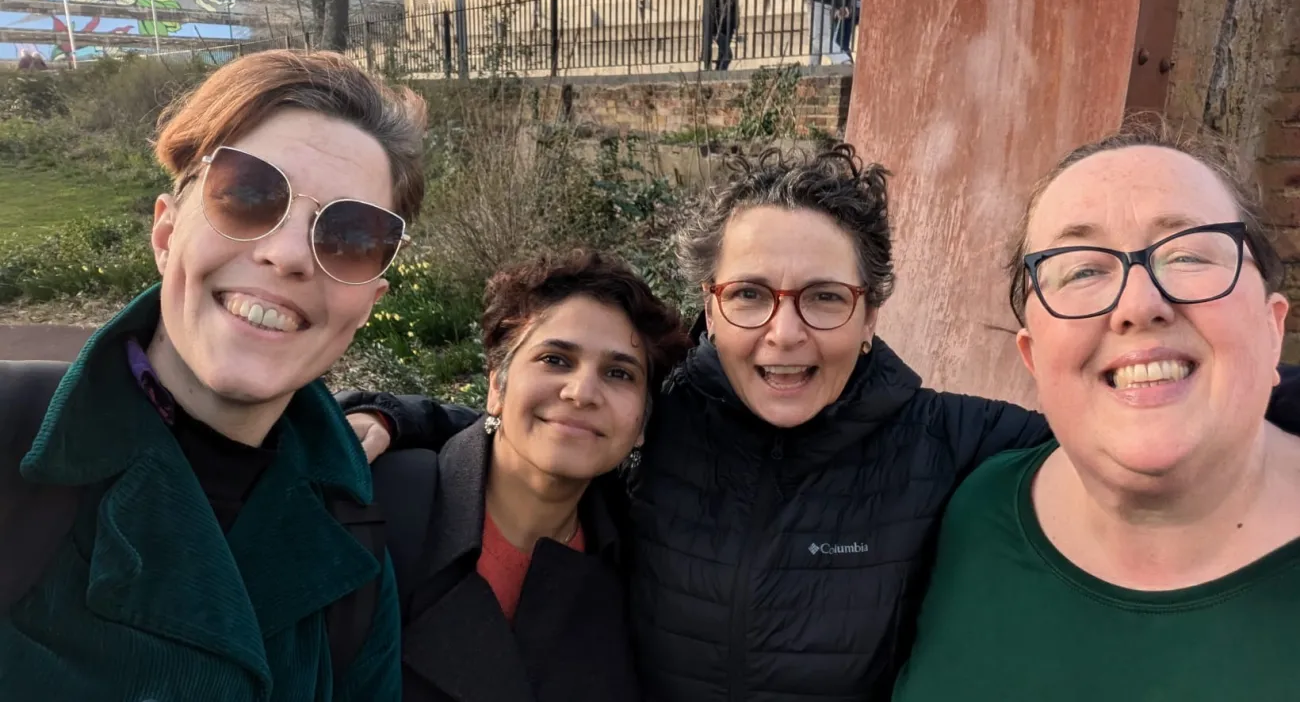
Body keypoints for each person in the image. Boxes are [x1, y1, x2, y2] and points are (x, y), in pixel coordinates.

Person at [342, 145, 1298, 701]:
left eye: (826, 299)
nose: (784, 336)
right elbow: (540, 420)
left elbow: (1127, 398)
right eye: (751, 295)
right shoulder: (656, 420)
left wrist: (1257, 381)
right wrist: (393, 412)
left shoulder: (956, 444)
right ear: (711, 304)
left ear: (874, 310)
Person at [0, 49, 424, 701]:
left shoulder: (351, 551)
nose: (285, 255)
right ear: (167, 233)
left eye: (349, 235)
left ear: (369, 300)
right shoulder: (11, 442)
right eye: (247, 196)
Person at [891, 120, 1300, 701]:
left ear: (1271, 325)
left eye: (1186, 254)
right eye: (1083, 268)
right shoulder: (973, 511)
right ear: (1033, 357)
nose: (1139, 304)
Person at [338, 249, 691, 702]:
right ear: (496, 387)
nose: (582, 392)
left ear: (642, 423)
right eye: (555, 360)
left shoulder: (638, 568)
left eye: (619, 373)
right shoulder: (372, 509)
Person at [711, 0, 739, 71]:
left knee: (722, 54)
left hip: (729, 29)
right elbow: (714, 10)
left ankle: (716, 74)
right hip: (719, 28)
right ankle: (721, 74)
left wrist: (736, 24)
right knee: (728, 55)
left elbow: (735, 11)